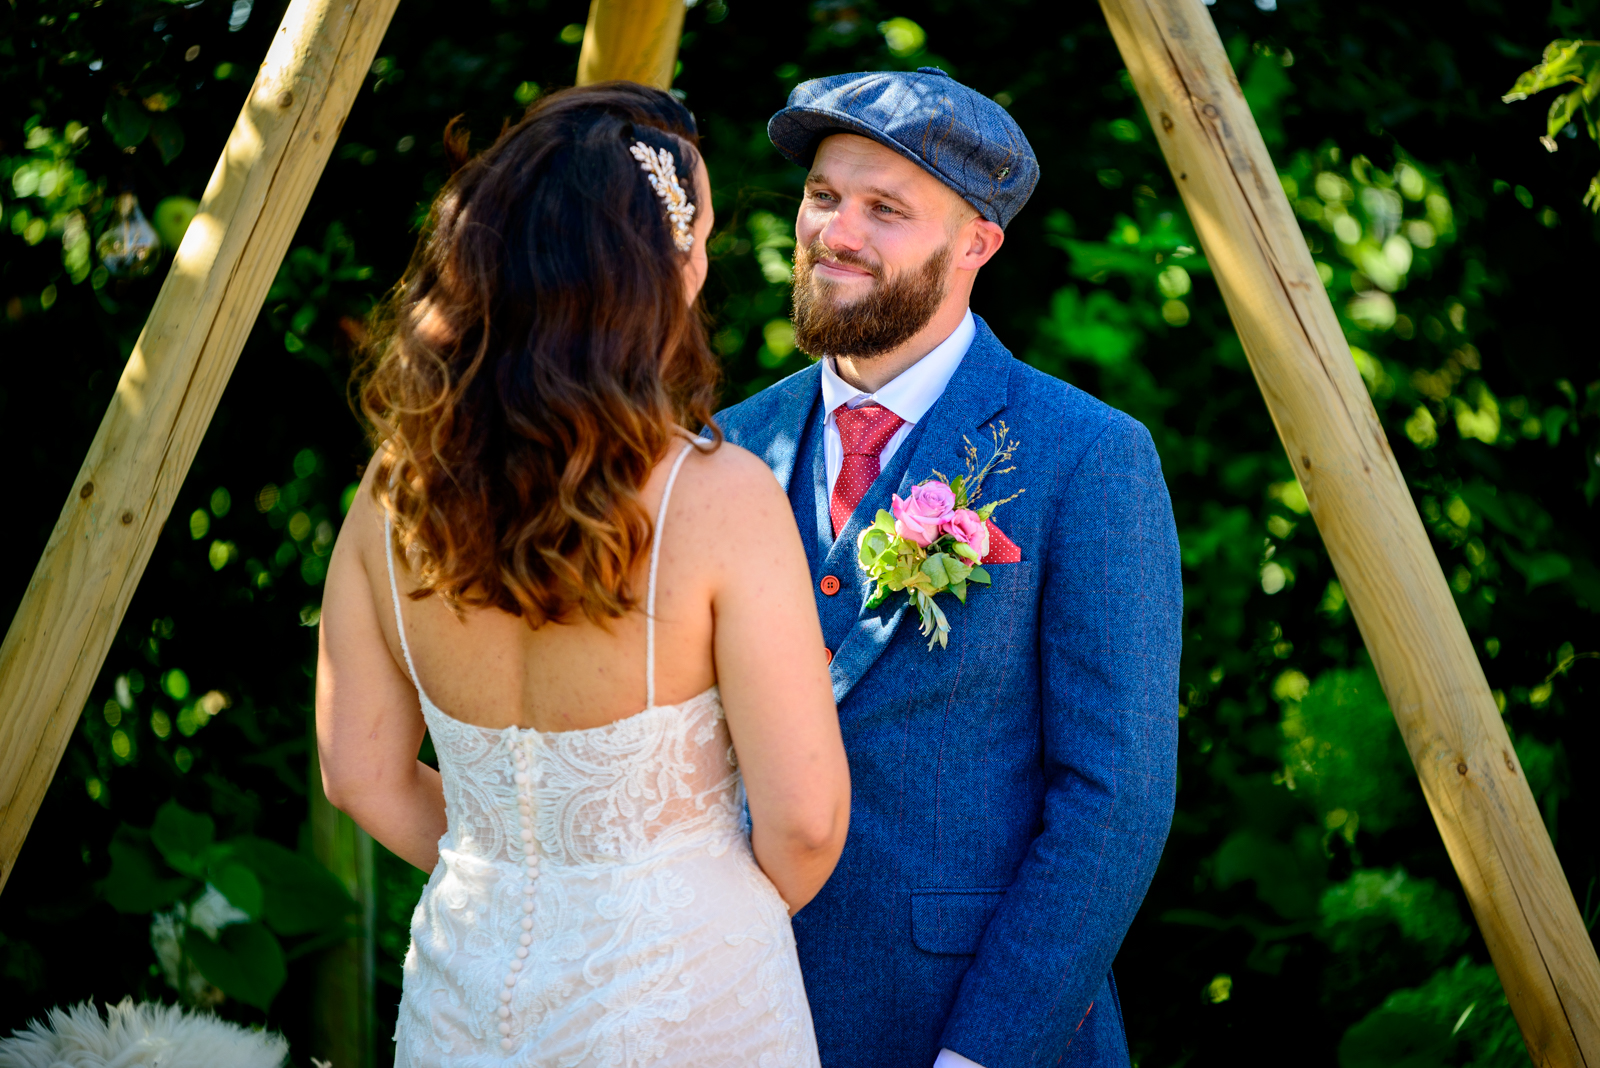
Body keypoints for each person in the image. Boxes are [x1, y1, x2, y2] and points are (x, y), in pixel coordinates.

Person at [314, 82, 849, 1068]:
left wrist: (530, 878)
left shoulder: (392, 493)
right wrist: (684, 914)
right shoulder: (719, 496)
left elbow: (358, 774)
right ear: (652, 273)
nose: (702, 268)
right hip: (686, 1005)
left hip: (464, 1000)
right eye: (697, 242)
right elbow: (806, 824)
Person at [713, 68, 1183, 1068]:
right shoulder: (726, 449)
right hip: (736, 1008)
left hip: (969, 1023)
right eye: (823, 196)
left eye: (885, 209)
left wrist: (982, 1056)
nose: (836, 232)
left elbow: (1115, 798)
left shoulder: (1086, 455)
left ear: (977, 243)